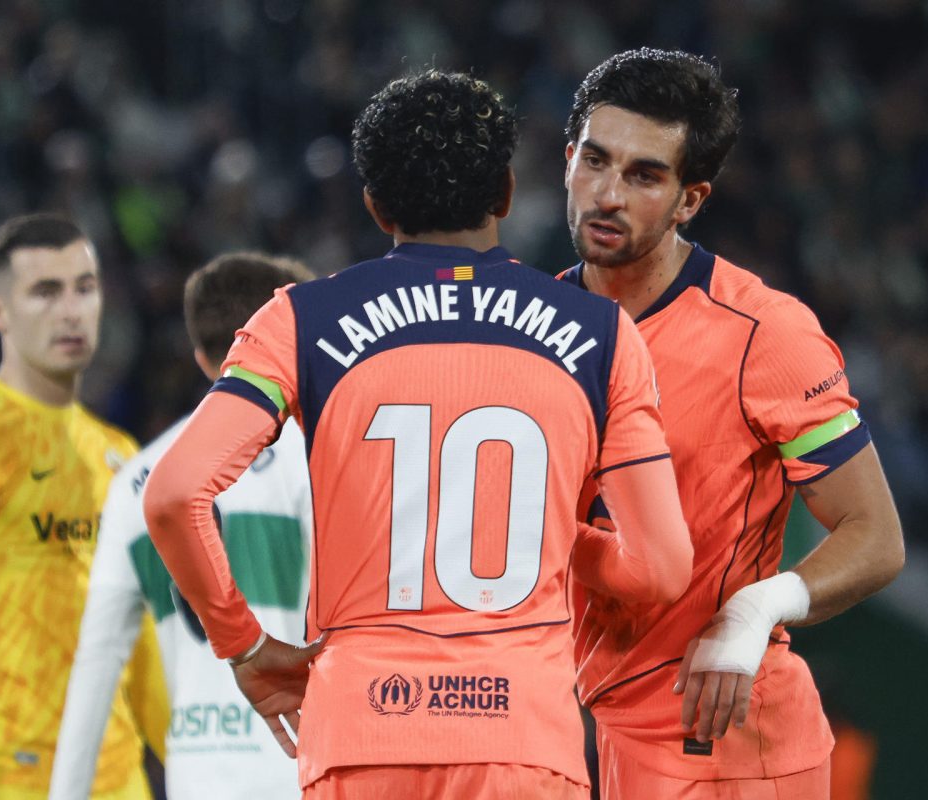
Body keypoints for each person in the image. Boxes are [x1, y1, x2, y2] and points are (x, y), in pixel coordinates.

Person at [141, 69, 693, 799]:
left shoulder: (300, 320)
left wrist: (243, 644)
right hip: (521, 743)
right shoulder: (602, 335)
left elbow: (174, 496)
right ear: (506, 192)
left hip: (362, 734)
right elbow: (660, 569)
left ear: (375, 206)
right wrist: (555, 528)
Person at [560, 48, 905, 799]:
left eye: (645, 176)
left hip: (727, 738)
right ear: (568, 160)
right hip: (595, 731)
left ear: (690, 200)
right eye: (595, 160)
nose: (608, 195)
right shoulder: (532, 331)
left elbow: (875, 536)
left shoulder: (764, 334)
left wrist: (755, 609)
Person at [50, 253, 316, 800]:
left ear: (201, 358)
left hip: (197, 774)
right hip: (307, 764)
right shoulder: (320, 458)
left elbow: (96, 664)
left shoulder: (136, 480)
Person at [0, 213, 169, 799]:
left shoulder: (120, 454)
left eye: (84, 288)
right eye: (45, 291)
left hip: (117, 780)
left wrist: (185, 758)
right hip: (7, 775)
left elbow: (145, 634)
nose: (70, 311)